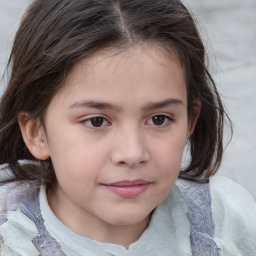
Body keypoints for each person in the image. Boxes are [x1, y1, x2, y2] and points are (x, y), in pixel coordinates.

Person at [0, 0, 255, 255]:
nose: (132, 153)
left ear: (190, 120)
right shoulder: (10, 242)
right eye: (96, 121)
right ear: (37, 133)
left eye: (159, 119)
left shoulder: (229, 222)